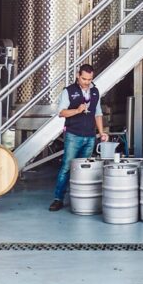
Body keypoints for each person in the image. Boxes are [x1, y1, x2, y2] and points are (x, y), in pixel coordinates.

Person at [49, 63, 109, 211]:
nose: (87, 82)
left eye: (89, 79)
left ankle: (81, 198)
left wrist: (101, 132)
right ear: (78, 75)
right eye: (84, 79)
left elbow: (98, 113)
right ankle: (58, 199)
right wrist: (77, 110)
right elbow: (61, 113)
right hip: (73, 135)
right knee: (66, 167)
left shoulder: (95, 92)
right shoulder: (69, 91)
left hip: (90, 136)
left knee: (84, 169)